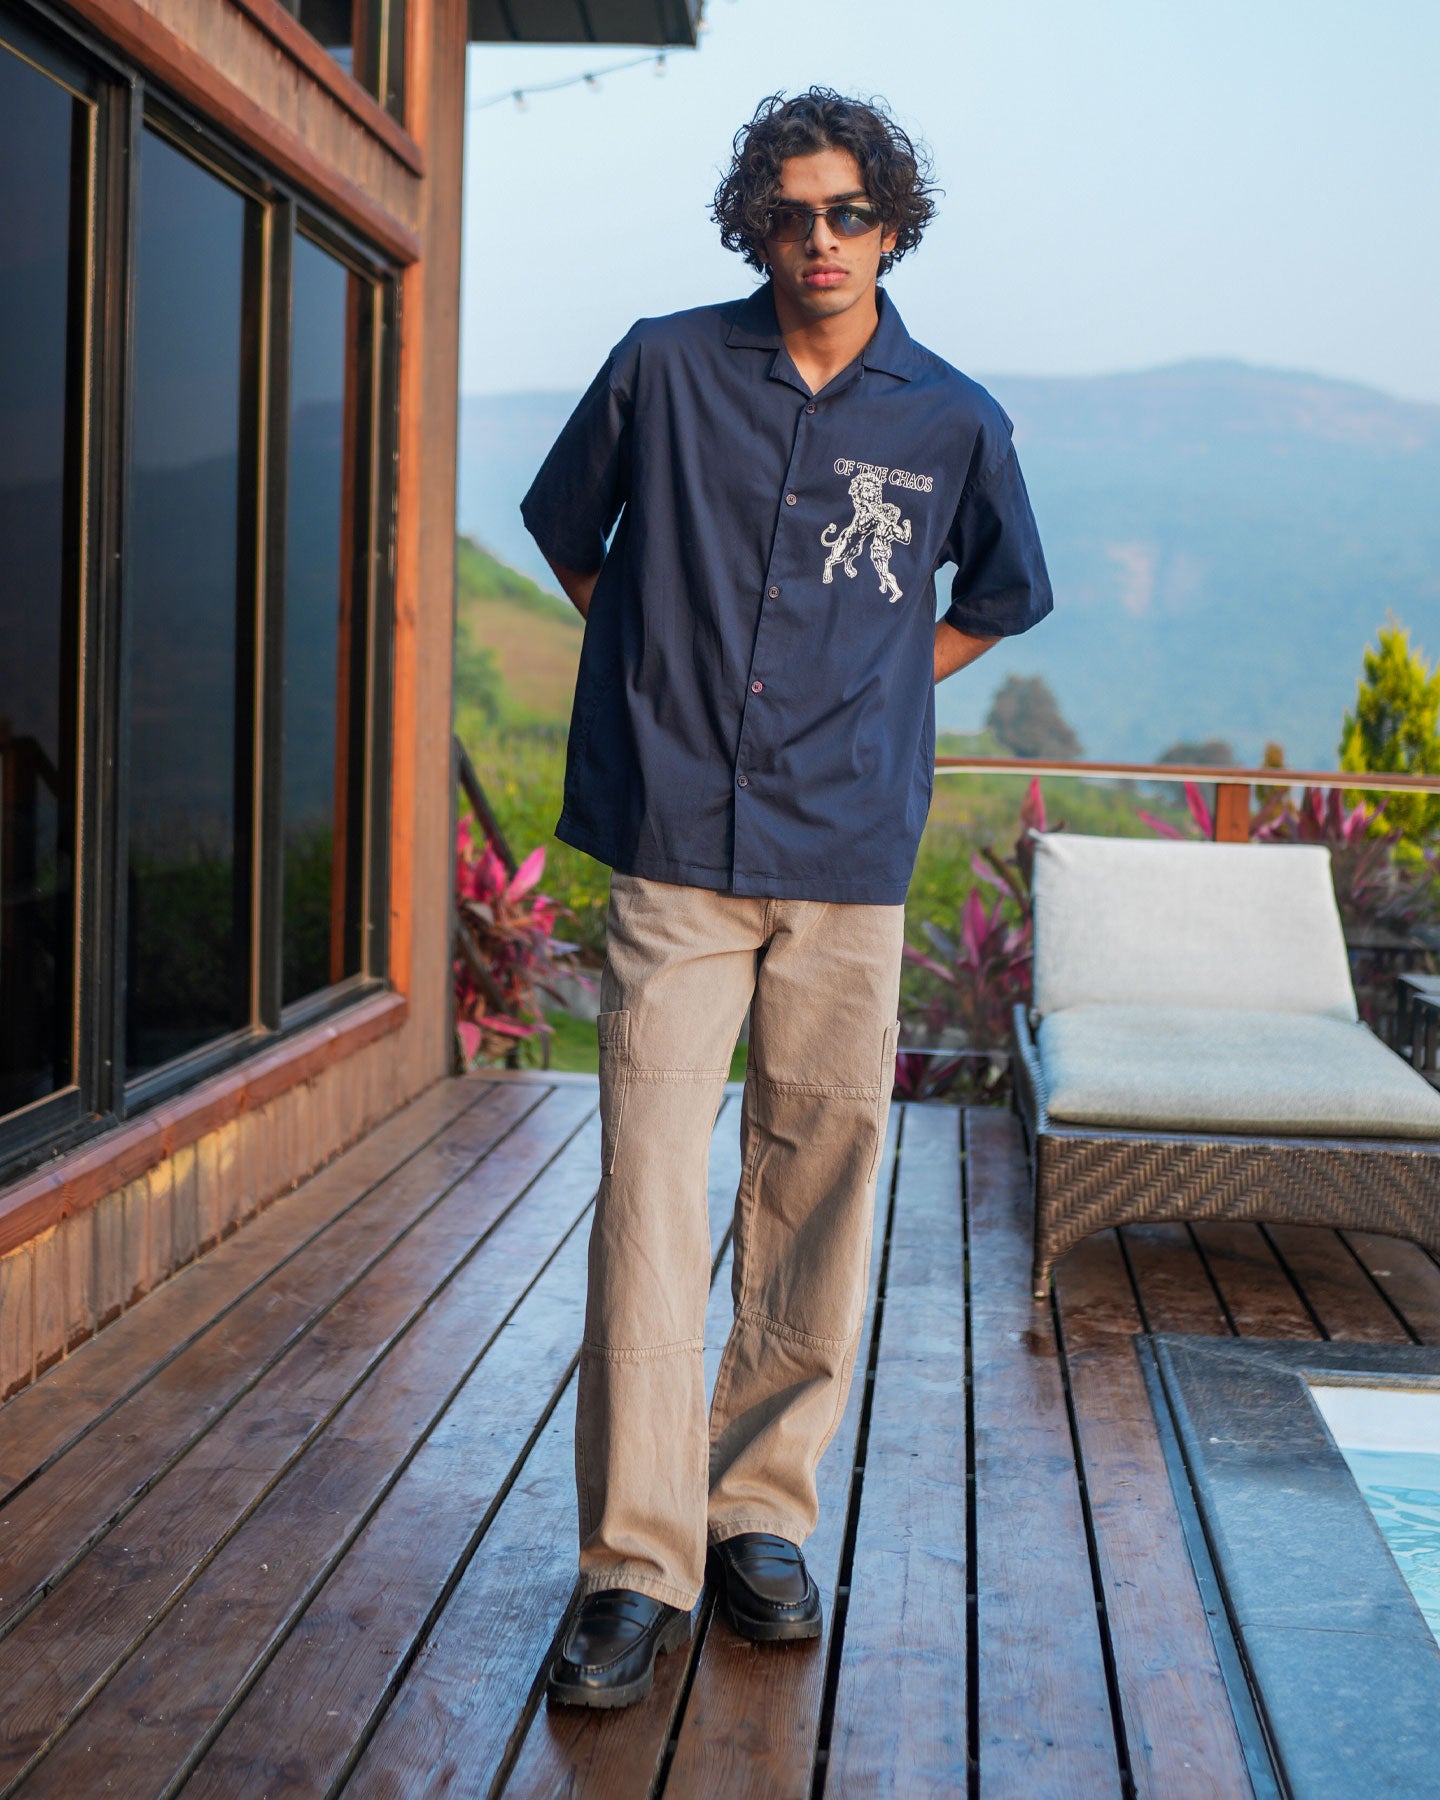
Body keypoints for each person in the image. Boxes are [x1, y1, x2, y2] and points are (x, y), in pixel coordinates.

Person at [521, 87, 1052, 1709]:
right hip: (675, 845)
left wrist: (879, 685)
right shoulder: (664, 366)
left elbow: (1003, 592)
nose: (819, 239)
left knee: (819, 1184)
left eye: (848, 212)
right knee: (647, 1186)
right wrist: (654, 672)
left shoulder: (951, 419)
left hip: (846, 856)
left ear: (892, 227)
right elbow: (567, 530)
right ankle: (633, 1562)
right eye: (791, 213)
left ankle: (758, 1514)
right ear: (756, 225)